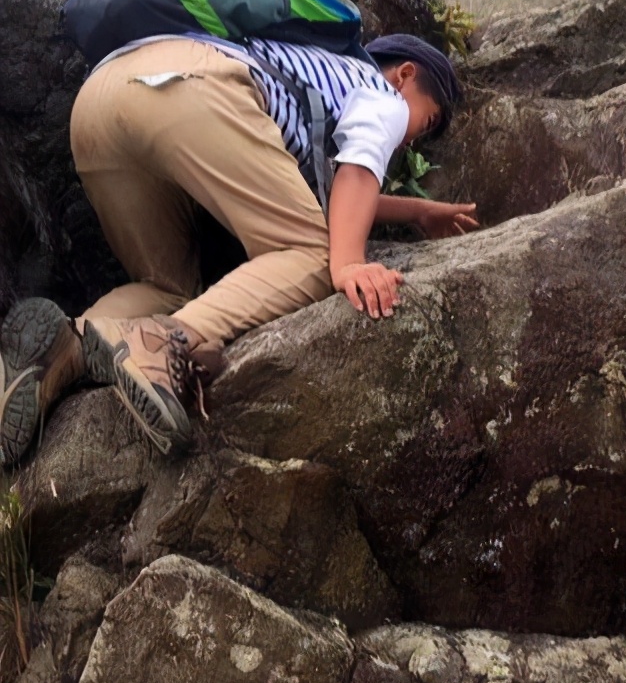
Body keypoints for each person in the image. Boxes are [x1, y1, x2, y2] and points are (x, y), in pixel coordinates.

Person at [1, 30, 477, 463]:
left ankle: (65, 346)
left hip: (103, 100)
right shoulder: (378, 93)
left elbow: (341, 197)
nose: (410, 140)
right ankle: (166, 340)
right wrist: (349, 263)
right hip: (191, 87)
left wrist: (418, 212)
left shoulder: (316, 82)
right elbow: (357, 173)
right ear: (405, 74)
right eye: (426, 120)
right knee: (314, 256)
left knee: (165, 284)